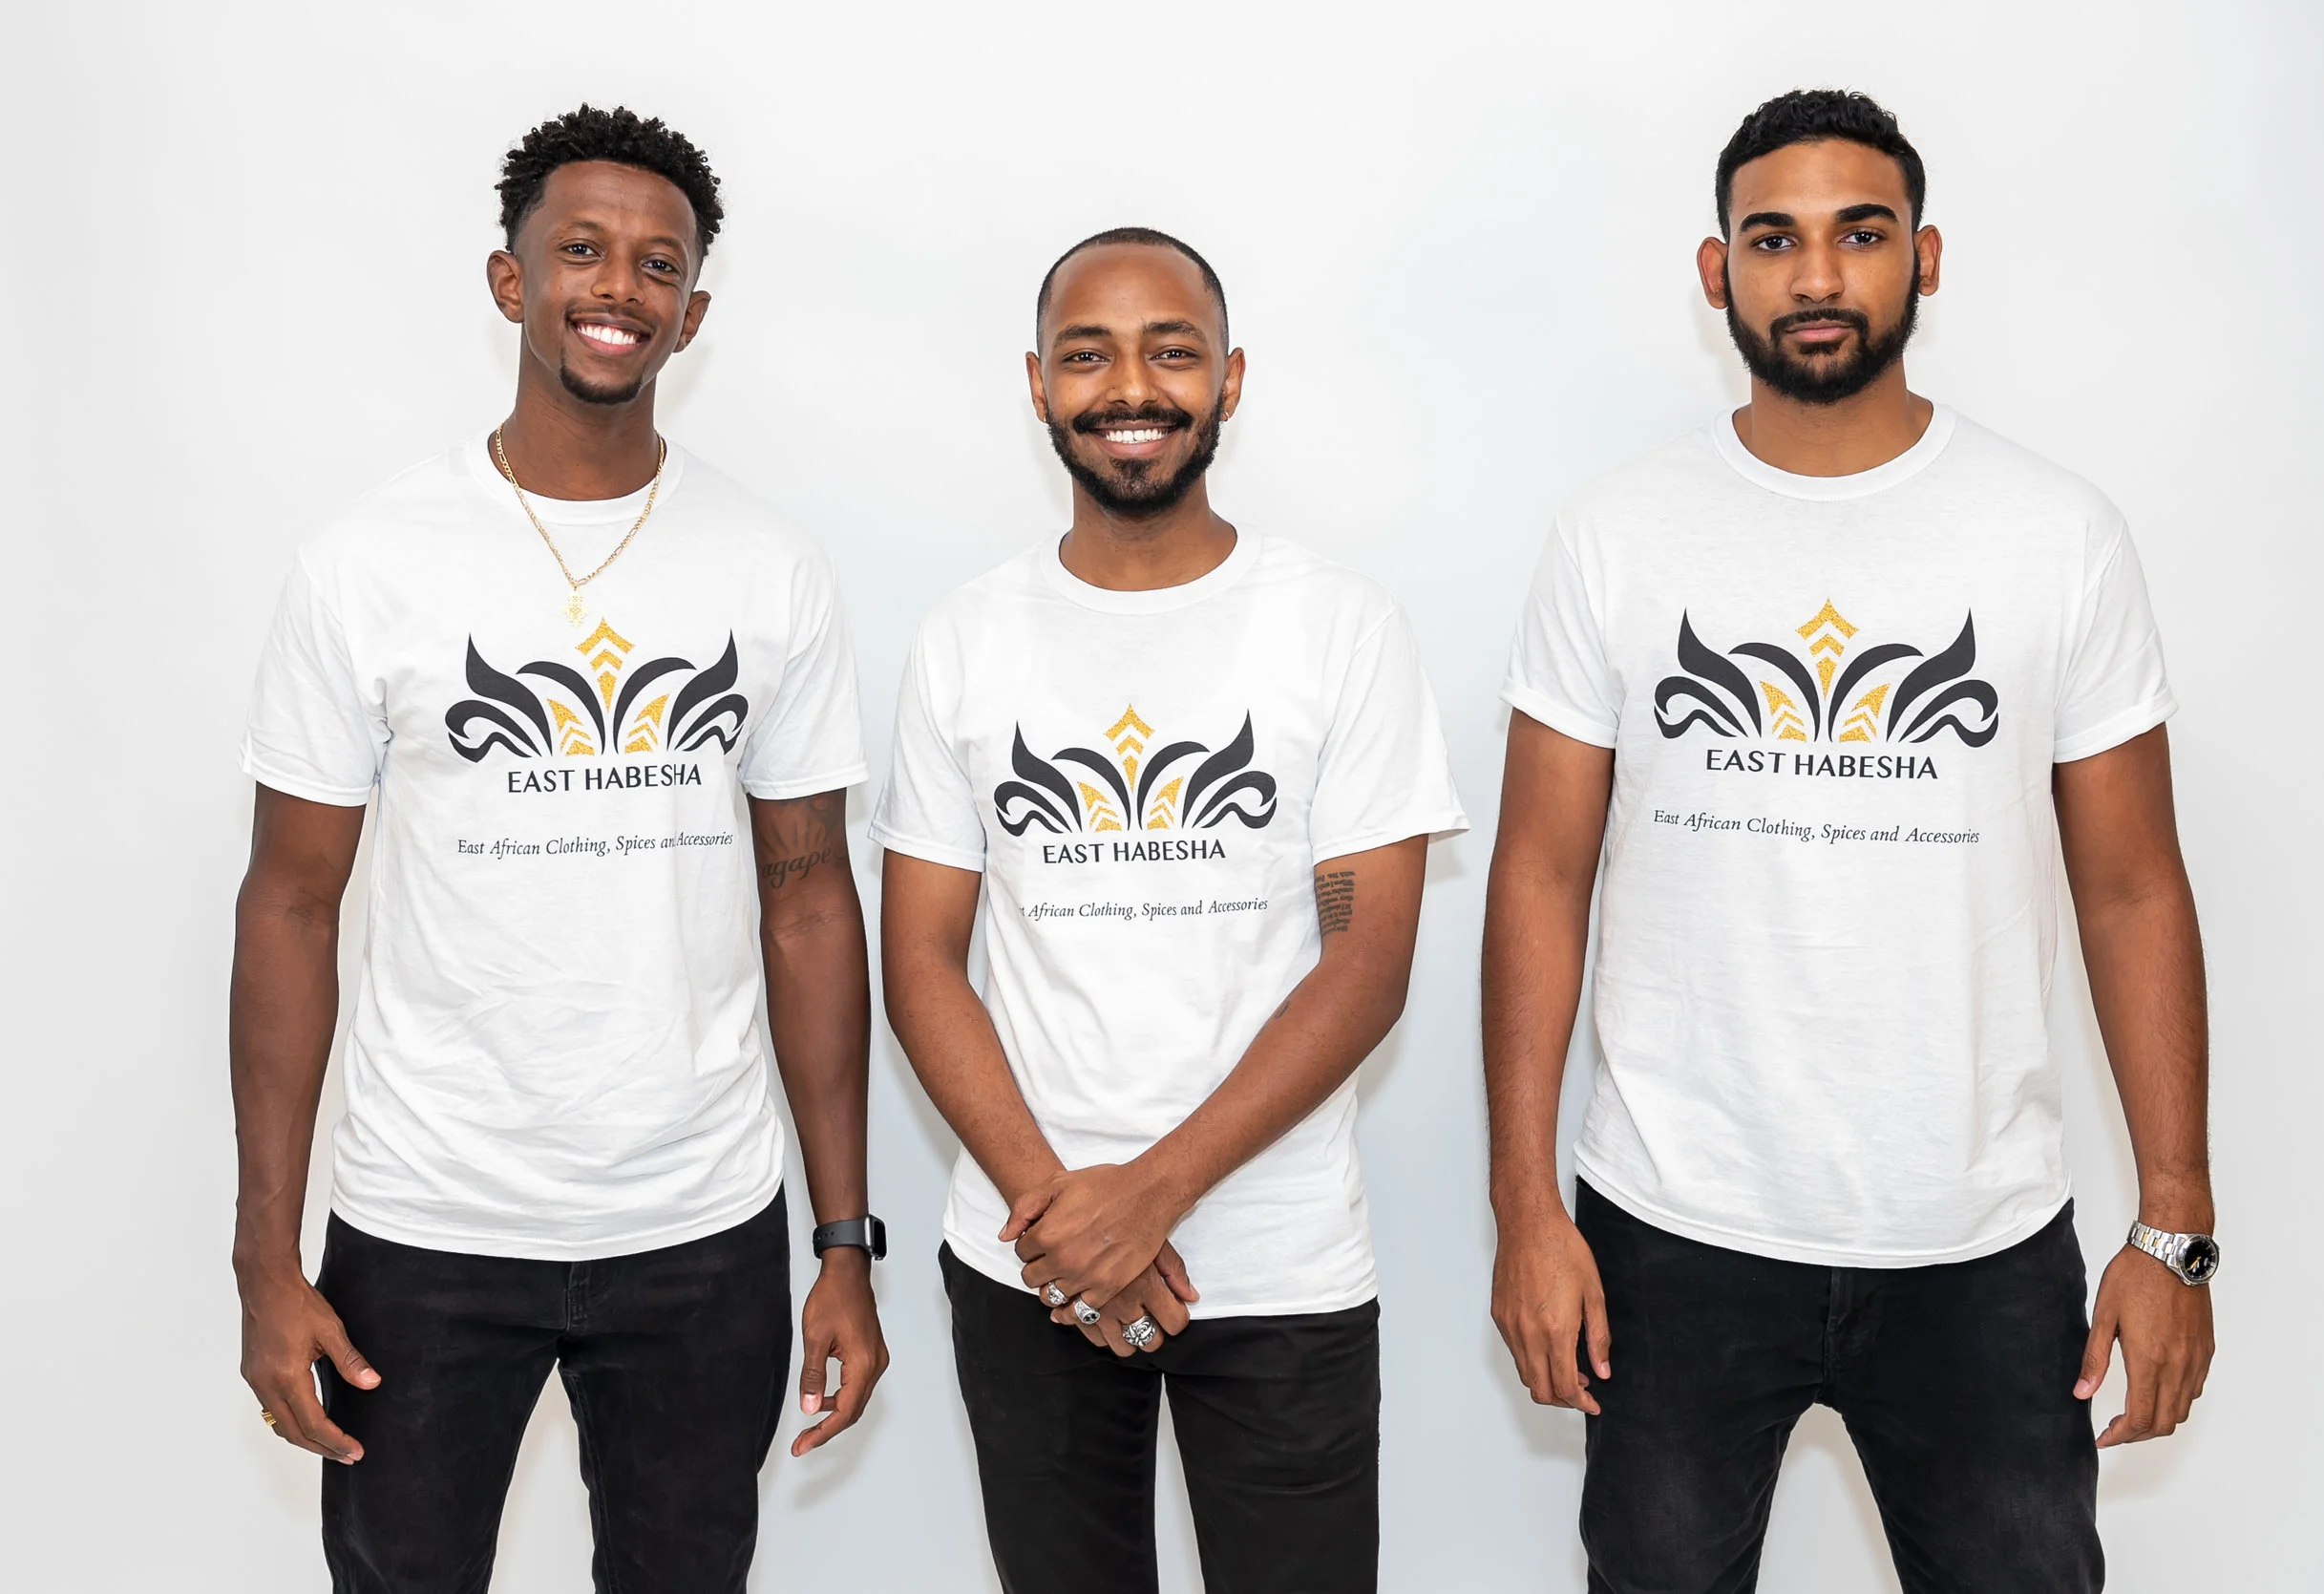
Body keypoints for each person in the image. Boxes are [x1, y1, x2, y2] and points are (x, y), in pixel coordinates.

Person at [1482, 89, 2216, 1593]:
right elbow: (1538, 876)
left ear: (1924, 258)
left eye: (1859, 234)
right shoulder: (1617, 533)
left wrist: (2177, 1228)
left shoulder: (2055, 533)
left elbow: (2134, 886)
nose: (1817, 275)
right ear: (1717, 274)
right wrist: (1524, 1209)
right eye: (1774, 240)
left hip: (1977, 1240)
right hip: (1672, 1230)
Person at [230, 105, 887, 1592]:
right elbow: (289, 906)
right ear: (509, 279)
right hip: (425, 1220)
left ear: (692, 314)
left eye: (659, 264)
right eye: (582, 249)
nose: (619, 286)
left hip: (698, 1227)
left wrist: (844, 1240)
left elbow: (808, 899)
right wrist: (265, 1253)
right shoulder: (369, 564)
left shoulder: (769, 566)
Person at [872, 227, 1468, 1593]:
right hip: (1028, 1261)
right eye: (1088, 355)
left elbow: (1367, 963)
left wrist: (1150, 1196)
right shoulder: (967, 636)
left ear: (1230, 379)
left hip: (1277, 1265)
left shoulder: (1340, 627)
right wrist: (1063, 1219)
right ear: (1037, 384)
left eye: (1171, 351)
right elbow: (920, 961)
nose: (1129, 387)